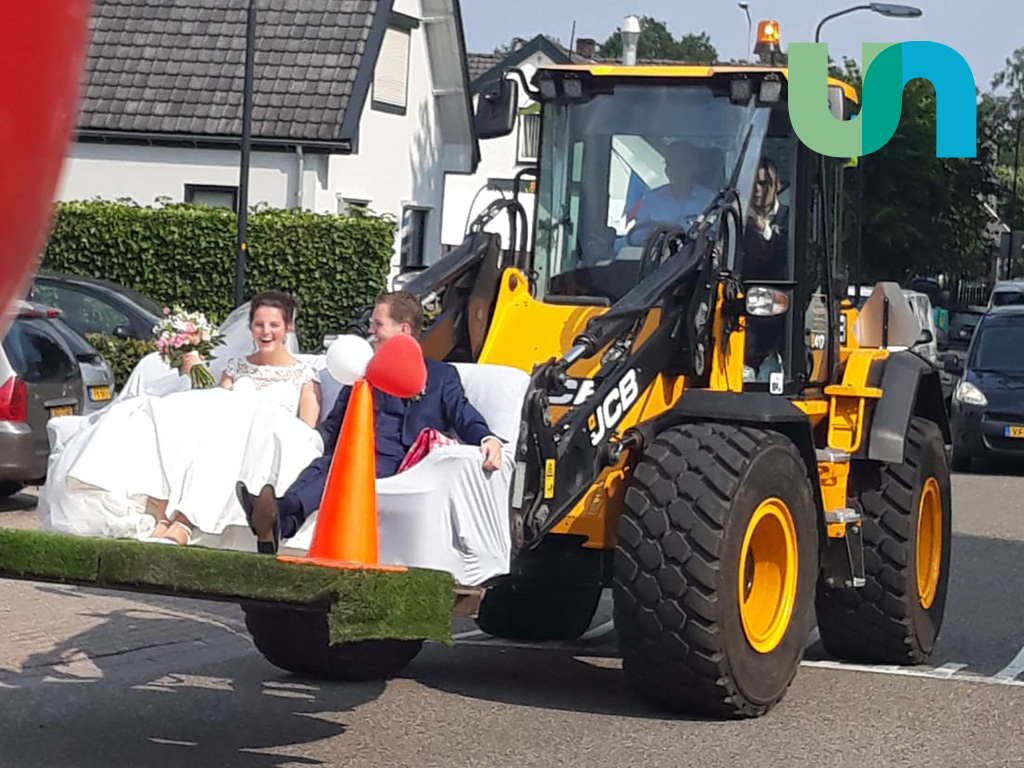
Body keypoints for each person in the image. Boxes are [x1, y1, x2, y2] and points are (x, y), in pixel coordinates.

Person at [39, 291, 323, 546]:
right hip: (224, 429)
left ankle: (186, 521)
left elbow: (306, 430)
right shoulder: (236, 366)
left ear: (287, 327)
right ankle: (162, 513)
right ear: (250, 327)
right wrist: (194, 372)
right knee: (161, 418)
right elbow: (217, 403)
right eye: (259, 324)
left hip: (263, 440)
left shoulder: (304, 376)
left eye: (274, 325)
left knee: (225, 442)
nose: (266, 332)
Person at [236, 290, 503, 554]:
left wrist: (487, 438)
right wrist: (306, 439)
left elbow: (462, 413)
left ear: (404, 330)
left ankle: (275, 513)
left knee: (340, 468)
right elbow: (334, 425)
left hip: (401, 462)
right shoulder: (362, 368)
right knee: (323, 465)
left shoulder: (441, 375)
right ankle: (277, 524)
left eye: (378, 324)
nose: (371, 330)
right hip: (354, 450)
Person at [742, 158, 790, 383]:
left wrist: (764, 231)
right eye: (752, 184)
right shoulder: (737, 221)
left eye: (763, 183)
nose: (757, 190)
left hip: (784, 305)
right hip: (745, 306)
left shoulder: (793, 218)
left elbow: (792, 259)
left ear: (777, 185)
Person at [622, 140, 718, 241]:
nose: (673, 169)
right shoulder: (651, 200)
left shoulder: (710, 201)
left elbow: (716, 238)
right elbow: (636, 238)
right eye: (669, 164)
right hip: (659, 251)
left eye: (679, 164)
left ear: (692, 166)